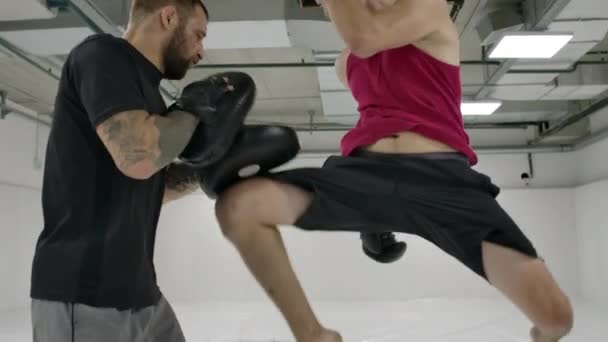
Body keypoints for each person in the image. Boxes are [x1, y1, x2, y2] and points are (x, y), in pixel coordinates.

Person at [212, 0, 574, 341]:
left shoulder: (429, 8)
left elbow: (367, 36)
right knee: (238, 207)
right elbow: (375, 89)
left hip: (444, 180)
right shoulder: (346, 62)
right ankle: (313, 335)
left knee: (556, 319)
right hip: (365, 173)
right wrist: (373, 221)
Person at [29, 0, 256, 341]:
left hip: (141, 294)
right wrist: (195, 109)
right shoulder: (103, 55)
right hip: (87, 294)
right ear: (168, 16)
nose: (200, 52)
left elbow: (152, 187)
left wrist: (210, 168)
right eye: (198, 35)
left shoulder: (151, 100)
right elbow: (137, 159)